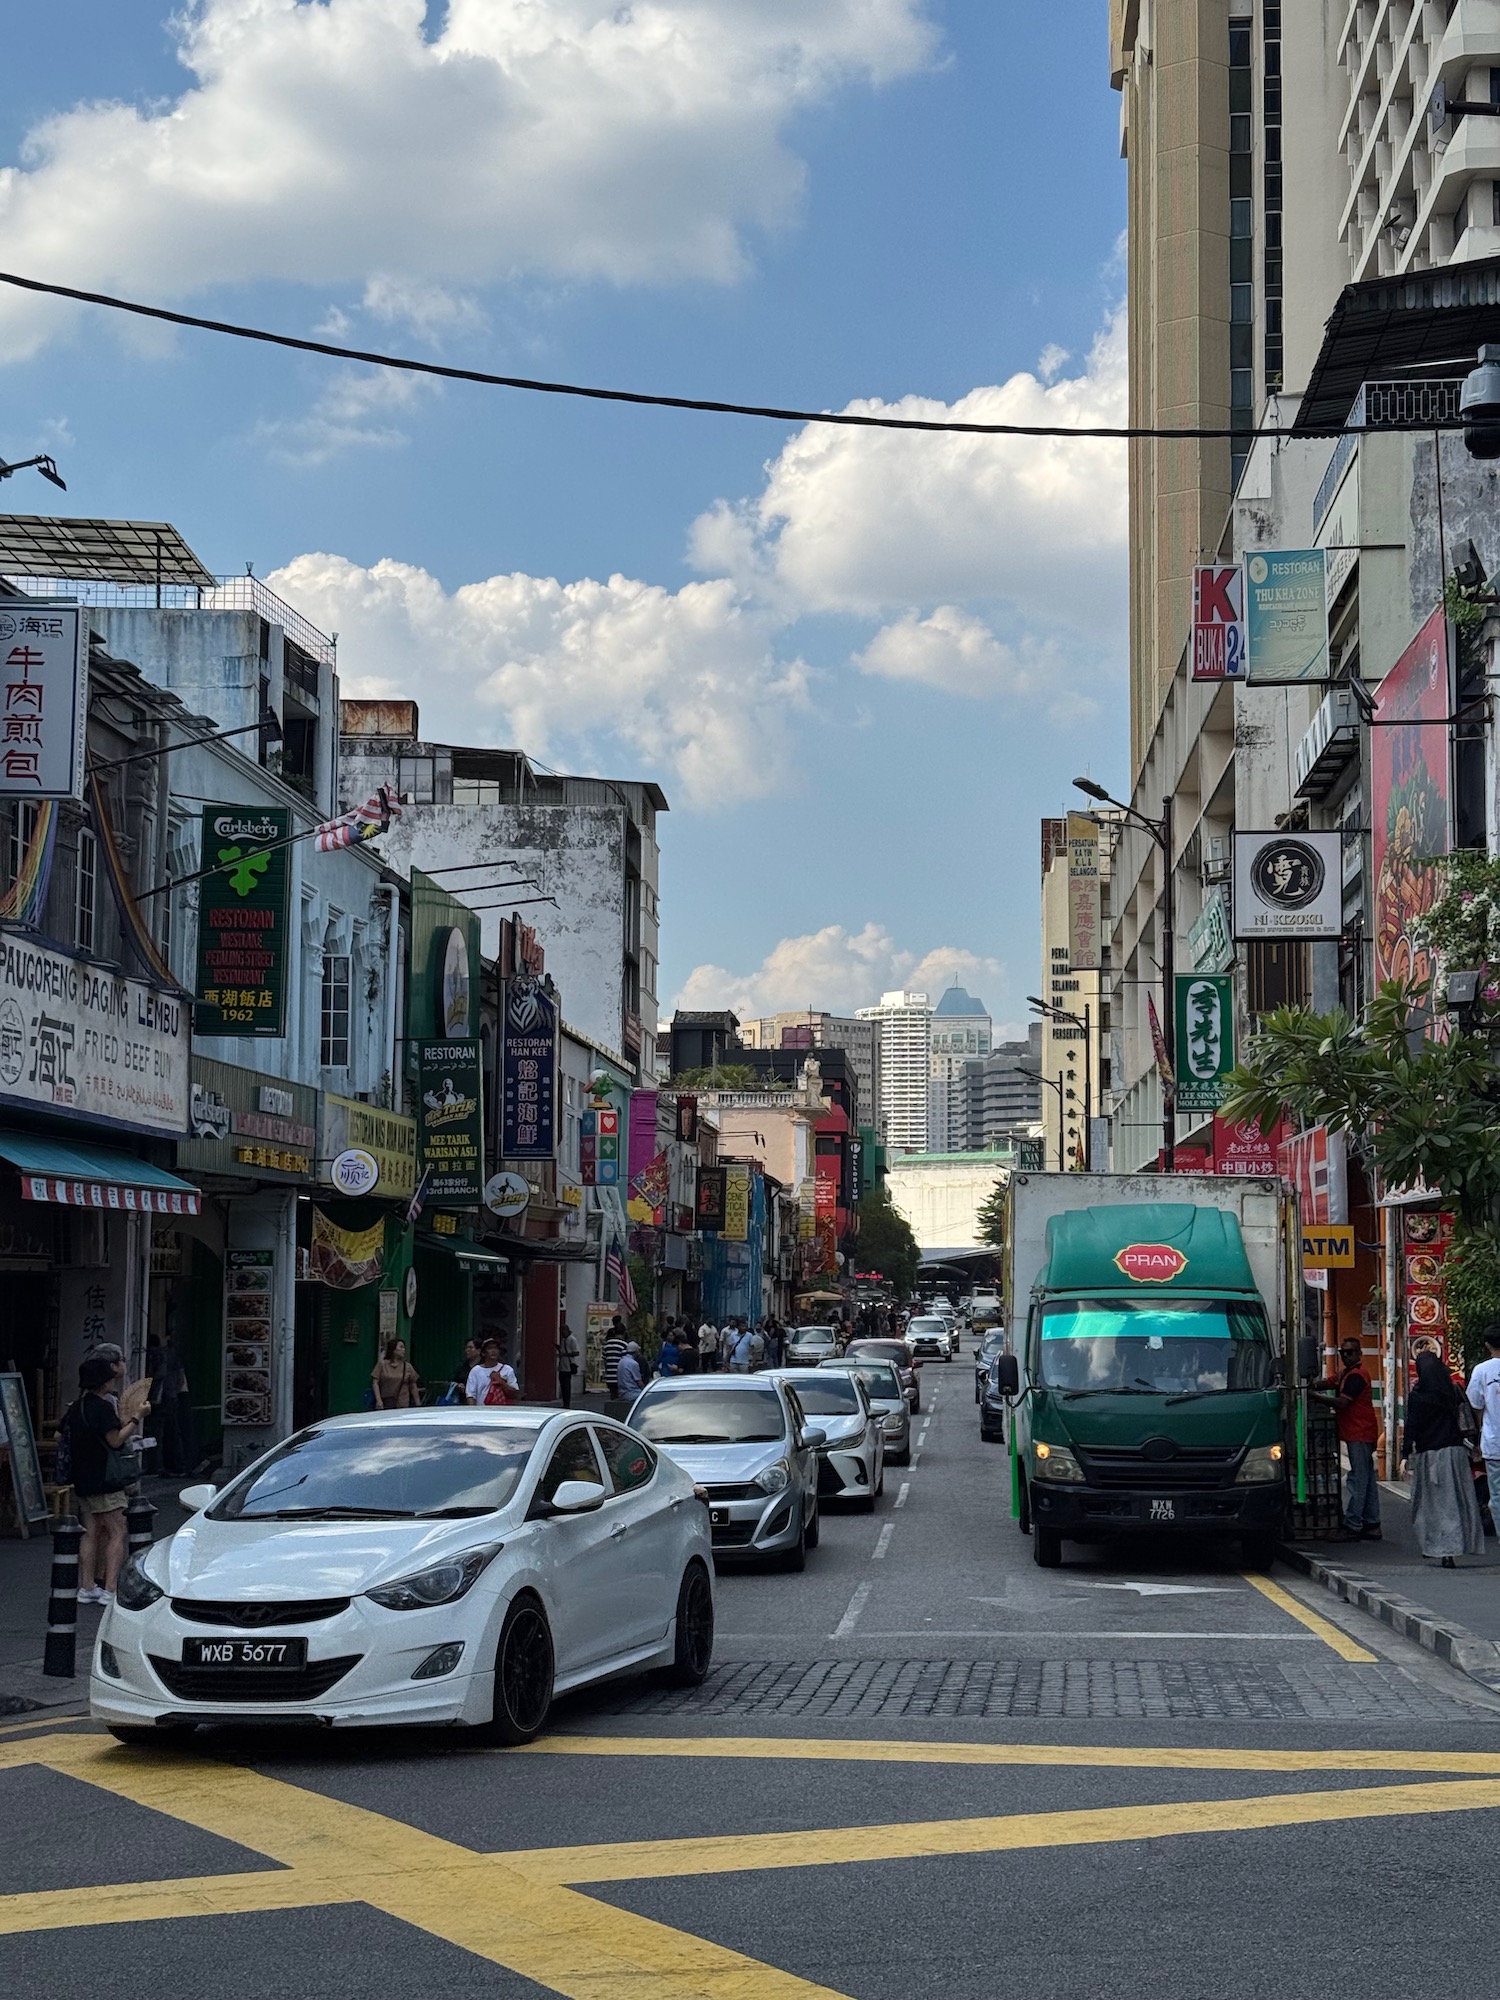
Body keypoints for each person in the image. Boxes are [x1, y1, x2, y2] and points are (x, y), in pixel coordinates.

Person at [68, 1355, 142, 1603]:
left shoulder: (76, 1407)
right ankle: (110, 1589)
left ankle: (87, 1586)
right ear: (103, 1381)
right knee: (117, 1530)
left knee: (89, 1532)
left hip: (82, 1477)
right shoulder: (102, 1408)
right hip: (105, 1478)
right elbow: (116, 1440)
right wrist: (136, 1418)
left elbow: (60, 1436)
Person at [1403, 1350, 1484, 1565]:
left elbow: (1412, 1426)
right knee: (1457, 1502)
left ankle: (1437, 1546)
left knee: (1430, 1504)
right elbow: (1467, 1418)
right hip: (1456, 1455)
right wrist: (1475, 1444)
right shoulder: (1452, 1390)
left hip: (1429, 1456)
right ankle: (1457, 1546)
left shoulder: (1418, 1395)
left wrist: (1404, 1454)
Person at [1329, 1336, 1381, 1540]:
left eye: (1350, 1352)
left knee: (1358, 1479)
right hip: (1358, 1431)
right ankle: (1372, 1523)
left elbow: (1342, 1402)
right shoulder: (1347, 1373)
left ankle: (1353, 1523)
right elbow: (1331, 1381)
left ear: (1359, 1354)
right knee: (1366, 1478)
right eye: (1343, 1352)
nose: (1346, 1356)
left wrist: (1315, 1397)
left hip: (1360, 1432)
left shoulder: (1357, 1376)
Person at [1467, 1323, 1500, 1540]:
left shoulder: (1482, 1370)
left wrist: (1476, 1439)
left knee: (1497, 1494)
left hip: (1494, 1441)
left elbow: (1475, 1405)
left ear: (1487, 1345)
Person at [466, 1338, 518, 1406]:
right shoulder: (475, 1371)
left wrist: (500, 1381)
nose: (493, 1351)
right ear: (483, 1353)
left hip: (503, 1410)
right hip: (482, 1410)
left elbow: (515, 1394)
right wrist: (473, 1410)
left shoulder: (507, 1369)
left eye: (495, 1348)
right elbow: (471, 1395)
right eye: (490, 1348)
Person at [371, 1337, 420, 1409]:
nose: (403, 1350)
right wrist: (379, 1400)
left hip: (402, 1404)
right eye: (401, 1347)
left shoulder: (407, 1367)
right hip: (385, 1403)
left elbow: (413, 1386)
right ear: (393, 1350)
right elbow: (375, 1383)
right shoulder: (382, 1364)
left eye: (404, 1348)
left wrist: (418, 1404)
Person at [557, 1315, 581, 1407]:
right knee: (563, 1385)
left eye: (562, 1331)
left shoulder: (572, 1339)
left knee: (566, 1386)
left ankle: (567, 1403)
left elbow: (576, 1352)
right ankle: (565, 1403)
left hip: (568, 1366)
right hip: (562, 1366)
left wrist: (564, 1354)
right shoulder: (564, 1340)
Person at [602, 1316, 628, 1395]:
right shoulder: (624, 1344)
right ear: (624, 1333)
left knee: (613, 1396)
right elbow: (625, 1362)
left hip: (609, 1376)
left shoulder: (607, 1345)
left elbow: (605, 1361)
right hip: (620, 1377)